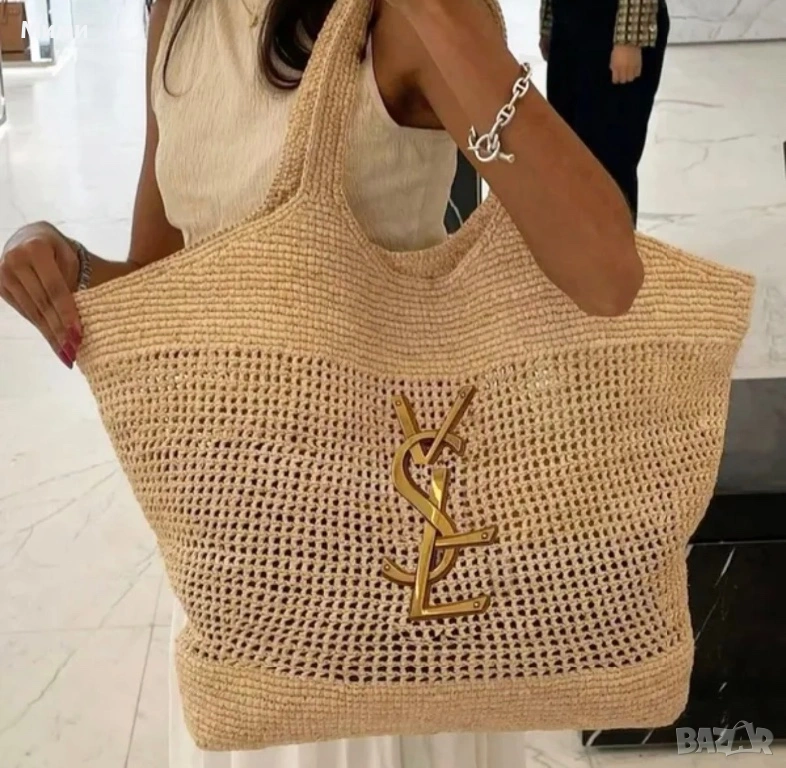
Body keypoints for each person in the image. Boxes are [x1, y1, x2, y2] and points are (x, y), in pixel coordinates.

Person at [0, 0, 644, 765]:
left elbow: (608, 274)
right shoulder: (181, 13)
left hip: (390, 552)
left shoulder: (401, 21)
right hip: (238, 548)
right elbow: (164, 276)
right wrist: (62, 258)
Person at [540, 0, 670, 224]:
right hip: (568, 25)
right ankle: (575, 242)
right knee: (566, 155)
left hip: (615, 28)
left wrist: (630, 39)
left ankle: (615, 245)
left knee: (609, 163)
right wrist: (549, 20)